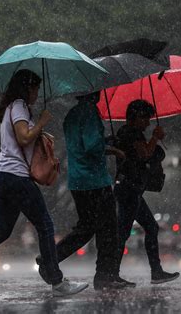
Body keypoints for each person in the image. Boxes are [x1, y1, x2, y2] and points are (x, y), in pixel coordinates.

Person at [0, 69, 88, 298]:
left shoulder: (11, 108)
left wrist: (39, 130)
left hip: (2, 175)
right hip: (15, 176)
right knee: (45, 225)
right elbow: (23, 137)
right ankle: (57, 282)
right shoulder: (20, 106)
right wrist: (41, 122)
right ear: (27, 88)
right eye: (36, 89)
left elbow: (21, 140)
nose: (37, 94)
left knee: (1, 231)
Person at [36, 91, 129, 290]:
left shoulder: (72, 114)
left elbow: (80, 143)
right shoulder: (89, 112)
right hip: (94, 181)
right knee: (108, 229)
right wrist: (113, 150)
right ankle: (105, 276)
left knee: (86, 227)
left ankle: (50, 258)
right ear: (93, 93)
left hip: (78, 181)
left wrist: (106, 140)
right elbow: (91, 146)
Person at [113, 99, 180, 285]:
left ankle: (156, 272)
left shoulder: (132, 132)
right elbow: (144, 154)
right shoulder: (130, 133)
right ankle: (112, 273)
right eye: (145, 118)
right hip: (129, 189)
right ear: (136, 117)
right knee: (123, 231)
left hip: (132, 189)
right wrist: (155, 138)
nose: (148, 123)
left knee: (150, 227)